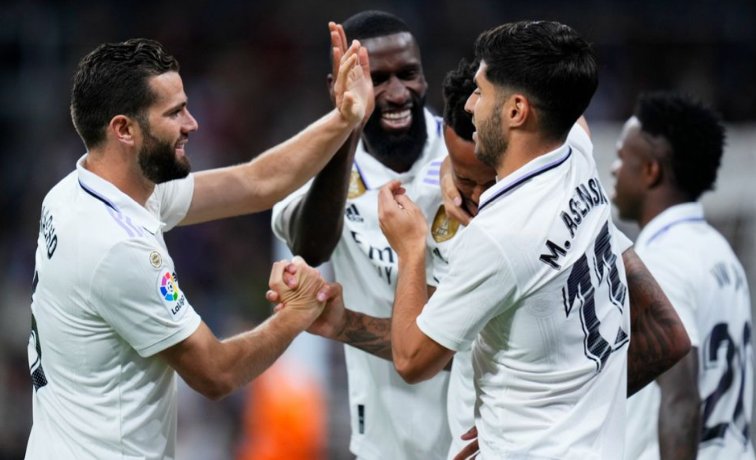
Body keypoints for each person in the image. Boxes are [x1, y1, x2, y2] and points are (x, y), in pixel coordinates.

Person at [25, 36, 371, 460]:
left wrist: (344, 118)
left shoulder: (76, 192)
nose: (192, 123)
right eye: (174, 113)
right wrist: (297, 313)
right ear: (124, 130)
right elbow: (216, 373)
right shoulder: (117, 247)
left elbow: (257, 182)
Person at [376, 20, 637, 459]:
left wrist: (410, 249)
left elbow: (411, 360)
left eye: (481, 92)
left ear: (516, 111)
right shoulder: (575, 155)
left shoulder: (499, 235)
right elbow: (567, 99)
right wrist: (455, 170)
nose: (470, 105)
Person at [272, 11, 453, 459]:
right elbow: (311, 246)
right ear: (338, 87)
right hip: (381, 444)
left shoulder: (464, 160)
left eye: (408, 74)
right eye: (378, 79)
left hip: (476, 436)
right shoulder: (320, 167)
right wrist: (348, 124)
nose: (398, 93)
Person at [615, 92, 754, 460]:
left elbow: (681, 397)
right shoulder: (720, 252)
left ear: (651, 170)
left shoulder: (664, 259)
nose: (613, 169)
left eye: (622, 157)